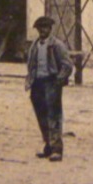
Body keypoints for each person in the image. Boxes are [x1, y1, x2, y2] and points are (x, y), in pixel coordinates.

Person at [24, 15, 72, 161]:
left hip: (51, 83)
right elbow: (31, 65)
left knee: (54, 116)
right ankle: (48, 146)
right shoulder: (35, 45)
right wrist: (30, 80)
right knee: (42, 116)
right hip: (37, 84)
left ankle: (57, 149)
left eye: (45, 27)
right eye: (40, 28)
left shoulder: (57, 45)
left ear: (50, 29)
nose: (42, 31)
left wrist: (59, 79)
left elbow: (67, 65)